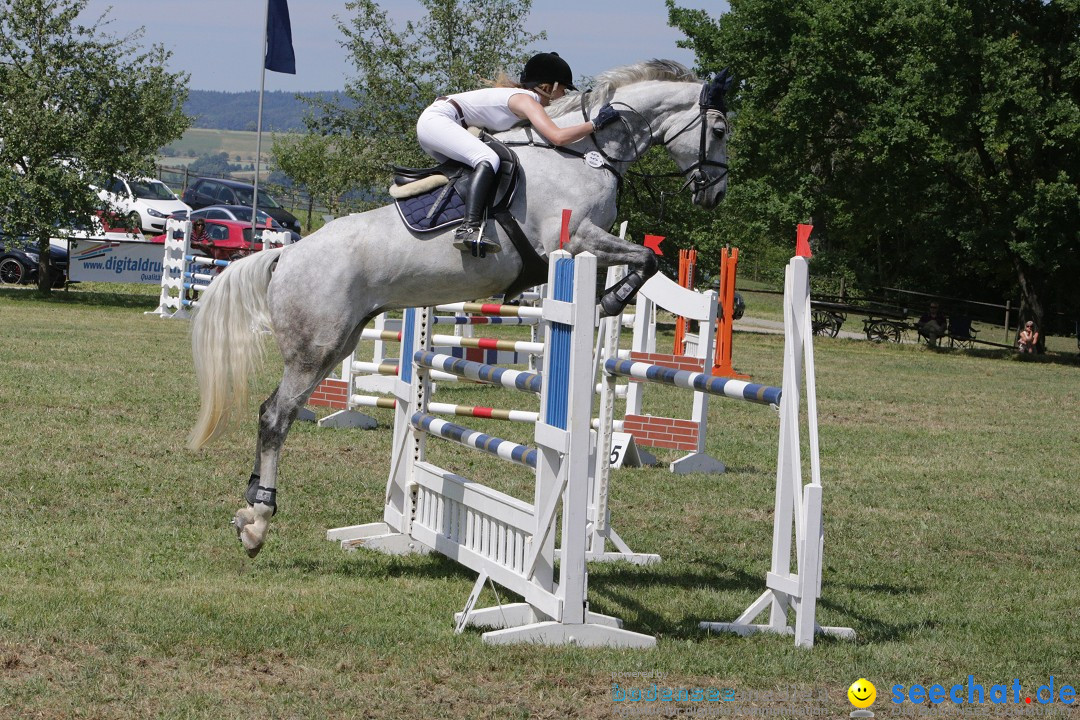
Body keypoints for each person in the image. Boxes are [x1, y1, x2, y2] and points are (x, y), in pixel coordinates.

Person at [416, 51, 620, 253]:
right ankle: (469, 228)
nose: (564, 96)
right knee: (487, 158)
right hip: (439, 120)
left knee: (480, 169)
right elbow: (557, 137)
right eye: (564, 90)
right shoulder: (527, 101)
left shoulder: (522, 99)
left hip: (441, 123)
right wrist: (595, 124)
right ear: (549, 87)